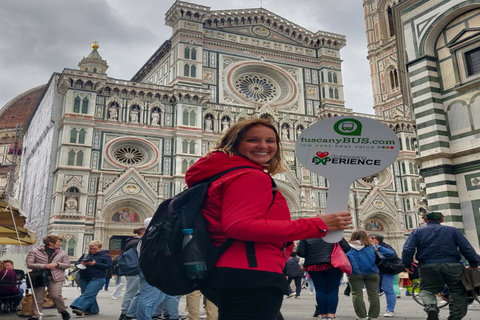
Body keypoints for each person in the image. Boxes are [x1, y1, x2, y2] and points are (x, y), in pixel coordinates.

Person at [184, 118, 352, 320]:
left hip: (233, 270)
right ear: (235, 143)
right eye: (253, 140)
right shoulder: (249, 176)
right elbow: (239, 226)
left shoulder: (226, 173)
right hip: (248, 273)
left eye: (270, 141)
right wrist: (317, 224)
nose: (264, 146)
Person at [402, 211, 480, 320]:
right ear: (442, 220)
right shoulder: (453, 231)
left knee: (427, 289)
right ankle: (455, 317)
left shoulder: (417, 232)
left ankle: (431, 306)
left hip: (428, 265)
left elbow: (408, 249)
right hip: (452, 264)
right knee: (458, 291)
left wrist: (407, 263)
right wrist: (474, 263)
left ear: (425, 220)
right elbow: (466, 248)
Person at [346, 230, 395, 320]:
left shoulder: (348, 247)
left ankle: (362, 316)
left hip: (354, 273)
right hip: (372, 272)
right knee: (373, 294)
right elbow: (391, 253)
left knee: (357, 294)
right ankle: (373, 316)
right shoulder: (372, 246)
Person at [297, 237, 350, 320]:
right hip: (333, 264)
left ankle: (323, 315)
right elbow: (347, 248)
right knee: (333, 290)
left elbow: (300, 252)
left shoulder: (308, 235)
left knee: (319, 290)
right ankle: (331, 315)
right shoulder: (334, 234)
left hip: (314, 265)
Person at [25, 235, 71, 320]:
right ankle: (36, 315)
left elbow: (67, 264)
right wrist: (45, 266)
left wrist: (57, 264)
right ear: (50, 243)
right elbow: (29, 264)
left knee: (55, 295)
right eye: (59, 242)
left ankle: (63, 311)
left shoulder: (62, 253)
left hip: (56, 277)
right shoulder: (35, 251)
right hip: (39, 276)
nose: (61, 244)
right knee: (38, 297)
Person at [70, 240, 112, 316]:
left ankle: (78, 306)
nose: (92, 250)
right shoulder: (85, 255)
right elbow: (77, 263)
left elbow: (109, 266)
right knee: (87, 294)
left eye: (94, 249)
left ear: (100, 247)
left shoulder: (105, 255)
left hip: (98, 277)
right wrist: (82, 263)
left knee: (89, 293)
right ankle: (92, 310)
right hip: (84, 277)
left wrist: (95, 264)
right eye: (91, 248)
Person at [369, 233, 400, 317]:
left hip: (387, 270)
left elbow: (393, 255)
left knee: (388, 289)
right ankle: (373, 310)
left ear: (378, 240)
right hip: (375, 271)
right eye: (369, 238)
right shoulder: (368, 247)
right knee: (374, 291)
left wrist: (377, 249)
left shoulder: (386, 247)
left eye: (372, 238)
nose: (370, 239)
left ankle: (390, 310)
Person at [119, 227, 146, 320]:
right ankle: (125, 312)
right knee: (132, 291)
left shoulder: (132, 242)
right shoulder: (135, 242)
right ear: (143, 232)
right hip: (134, 269)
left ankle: (128, 312)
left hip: (134, 269)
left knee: (135, 291)